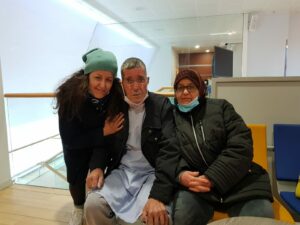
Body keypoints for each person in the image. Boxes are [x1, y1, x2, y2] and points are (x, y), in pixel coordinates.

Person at [171, 69, 274, 225]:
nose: (185, 92)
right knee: (182, 218)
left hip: (239, 180)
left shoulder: (221, 107)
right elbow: (167, 153)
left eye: (191, 87)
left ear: (200, 89)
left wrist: (213, 177)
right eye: (180, 87)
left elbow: (241, 146)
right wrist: (181, 175)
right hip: (196, 187)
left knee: (260, 218)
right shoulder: (170, 118)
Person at [84, 57, 178, 225]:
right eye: (129, 81)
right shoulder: (115, 106)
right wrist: (96, 166)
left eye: (140, 80)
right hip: (123, 172)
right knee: (93, 205)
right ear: (122, 85)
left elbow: (170, 151)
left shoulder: (162, 105)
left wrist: (158, 195)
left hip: (152, 174)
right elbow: (104, 143)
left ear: (147, 81)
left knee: (152, 217)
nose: (136, 87)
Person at [55, 48, 125, 225]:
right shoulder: (69, 97)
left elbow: (111, 134)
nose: (103, 85)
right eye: (98, 78)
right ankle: (78, 207)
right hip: (75, 145)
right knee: (76, 177)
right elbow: (70, 140)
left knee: (100, 174)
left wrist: (97, 164)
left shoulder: (115, 96)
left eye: (108, 79)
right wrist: (102, 131)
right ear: (87, 76)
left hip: (100, 144)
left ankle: (96, 203)